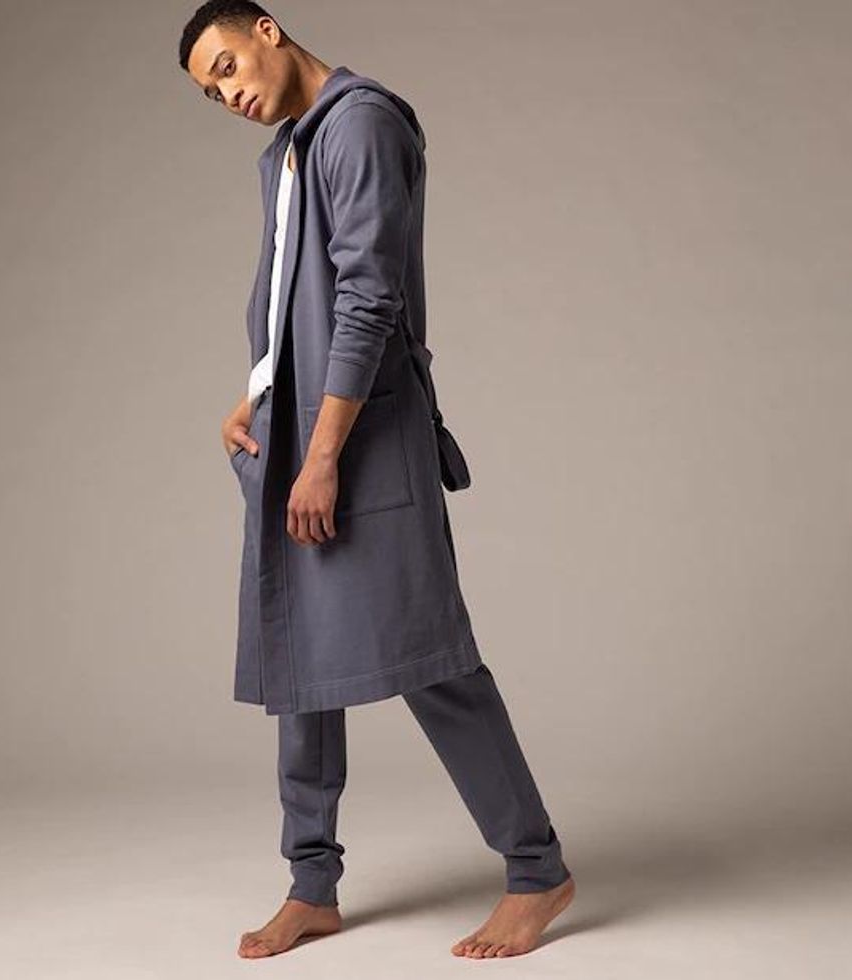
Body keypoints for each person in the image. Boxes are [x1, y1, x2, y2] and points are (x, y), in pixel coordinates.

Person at [178, 1, 575, 959]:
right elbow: (293, 298)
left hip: (360, 437)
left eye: (227, 66)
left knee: (431, 657)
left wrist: (321, 457)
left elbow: (369, 298)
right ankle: (311, 884)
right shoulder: (288, 152)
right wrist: (256, 394)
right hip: (295, 432)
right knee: (299, 663)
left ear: (267, 29)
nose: (230, 95)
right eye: (211, 93)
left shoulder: (359, 124)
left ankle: (536, 871)